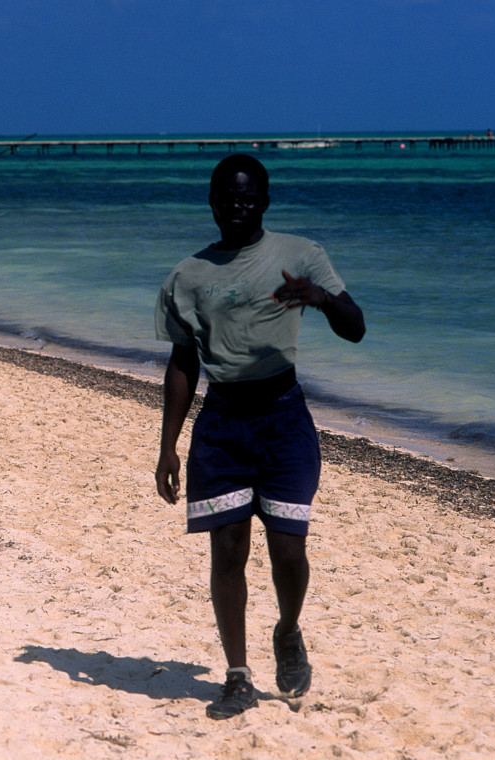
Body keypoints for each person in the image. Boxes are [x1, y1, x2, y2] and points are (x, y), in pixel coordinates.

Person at [154, 154, 365, 720]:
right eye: (228, 197)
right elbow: (182, 362)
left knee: (287, 548)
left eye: (248, 198)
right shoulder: (187, 277)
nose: (237, 207)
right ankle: (237, 675)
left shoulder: (300, 256)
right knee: (227, 551)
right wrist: (167, 445)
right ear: (212, 202)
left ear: (265, 202)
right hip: (222, 424)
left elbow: (357, 327)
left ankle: (289, 629)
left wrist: (320, 299)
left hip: (283, 417)